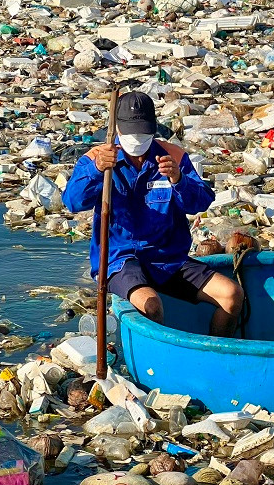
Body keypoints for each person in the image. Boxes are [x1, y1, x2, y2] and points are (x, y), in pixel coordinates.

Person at [63, 91, 244, 337]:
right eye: (131, 134)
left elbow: (201, 202)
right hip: (121, 259)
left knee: (232, 295)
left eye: (143, 133)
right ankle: (158, 359)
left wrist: (178, 179)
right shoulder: (98, 158)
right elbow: (73, 202)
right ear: (118, 129)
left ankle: (216, 351)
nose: (137, 140)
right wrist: (96, 170)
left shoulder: (173, 156)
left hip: (167, 258)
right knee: (151, 306)